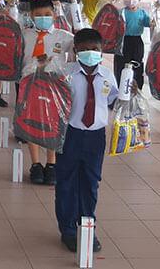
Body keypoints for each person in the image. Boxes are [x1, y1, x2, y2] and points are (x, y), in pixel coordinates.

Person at [56, 28, 118, 253]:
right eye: (84, 50)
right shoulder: (66, 73)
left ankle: (87, 226)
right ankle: (68, 230)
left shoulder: (108, 75)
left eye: (94, 50)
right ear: (75, 51)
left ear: (102, 51)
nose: (90, 53)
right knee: (66, 181)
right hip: (70, 134)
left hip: (95, 136)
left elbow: (112, 99)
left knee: (91, 183)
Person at [21, 0, 75, 185]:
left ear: (54, 14)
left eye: (47, 15)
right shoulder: (24, 35)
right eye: (38, 15)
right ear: (30, 16)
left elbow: (80, 48)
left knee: (53, 122)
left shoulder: (64, 36)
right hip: (29, 84)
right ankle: (35, 164)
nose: (43, 18)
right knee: (32, 121)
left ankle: (51, 164)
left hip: (54, 86)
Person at [114, 0, 152, 88]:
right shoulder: (121, 12)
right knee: (121, 64)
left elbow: (149, 23)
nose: (131, 1)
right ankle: (121, 87)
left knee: (137, 63)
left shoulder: (142, 13)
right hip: (122, 41)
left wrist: (155, 19)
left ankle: (136, 87)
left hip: (137, 41)